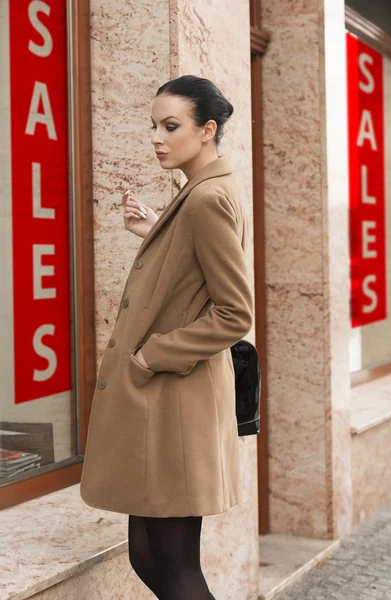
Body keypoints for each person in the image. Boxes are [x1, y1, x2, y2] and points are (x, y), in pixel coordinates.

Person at [80, 75, 253, 600]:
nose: (157, 136)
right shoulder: (198, 195)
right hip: (162, 408)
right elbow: (194, 272)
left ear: (207, 130)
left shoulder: (205, 200)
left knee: (175, 566)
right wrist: (159, 228)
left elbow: (233, 313)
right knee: (148, 555)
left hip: (175, 405)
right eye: (153, 125)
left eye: (170, 125)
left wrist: (150, 356)